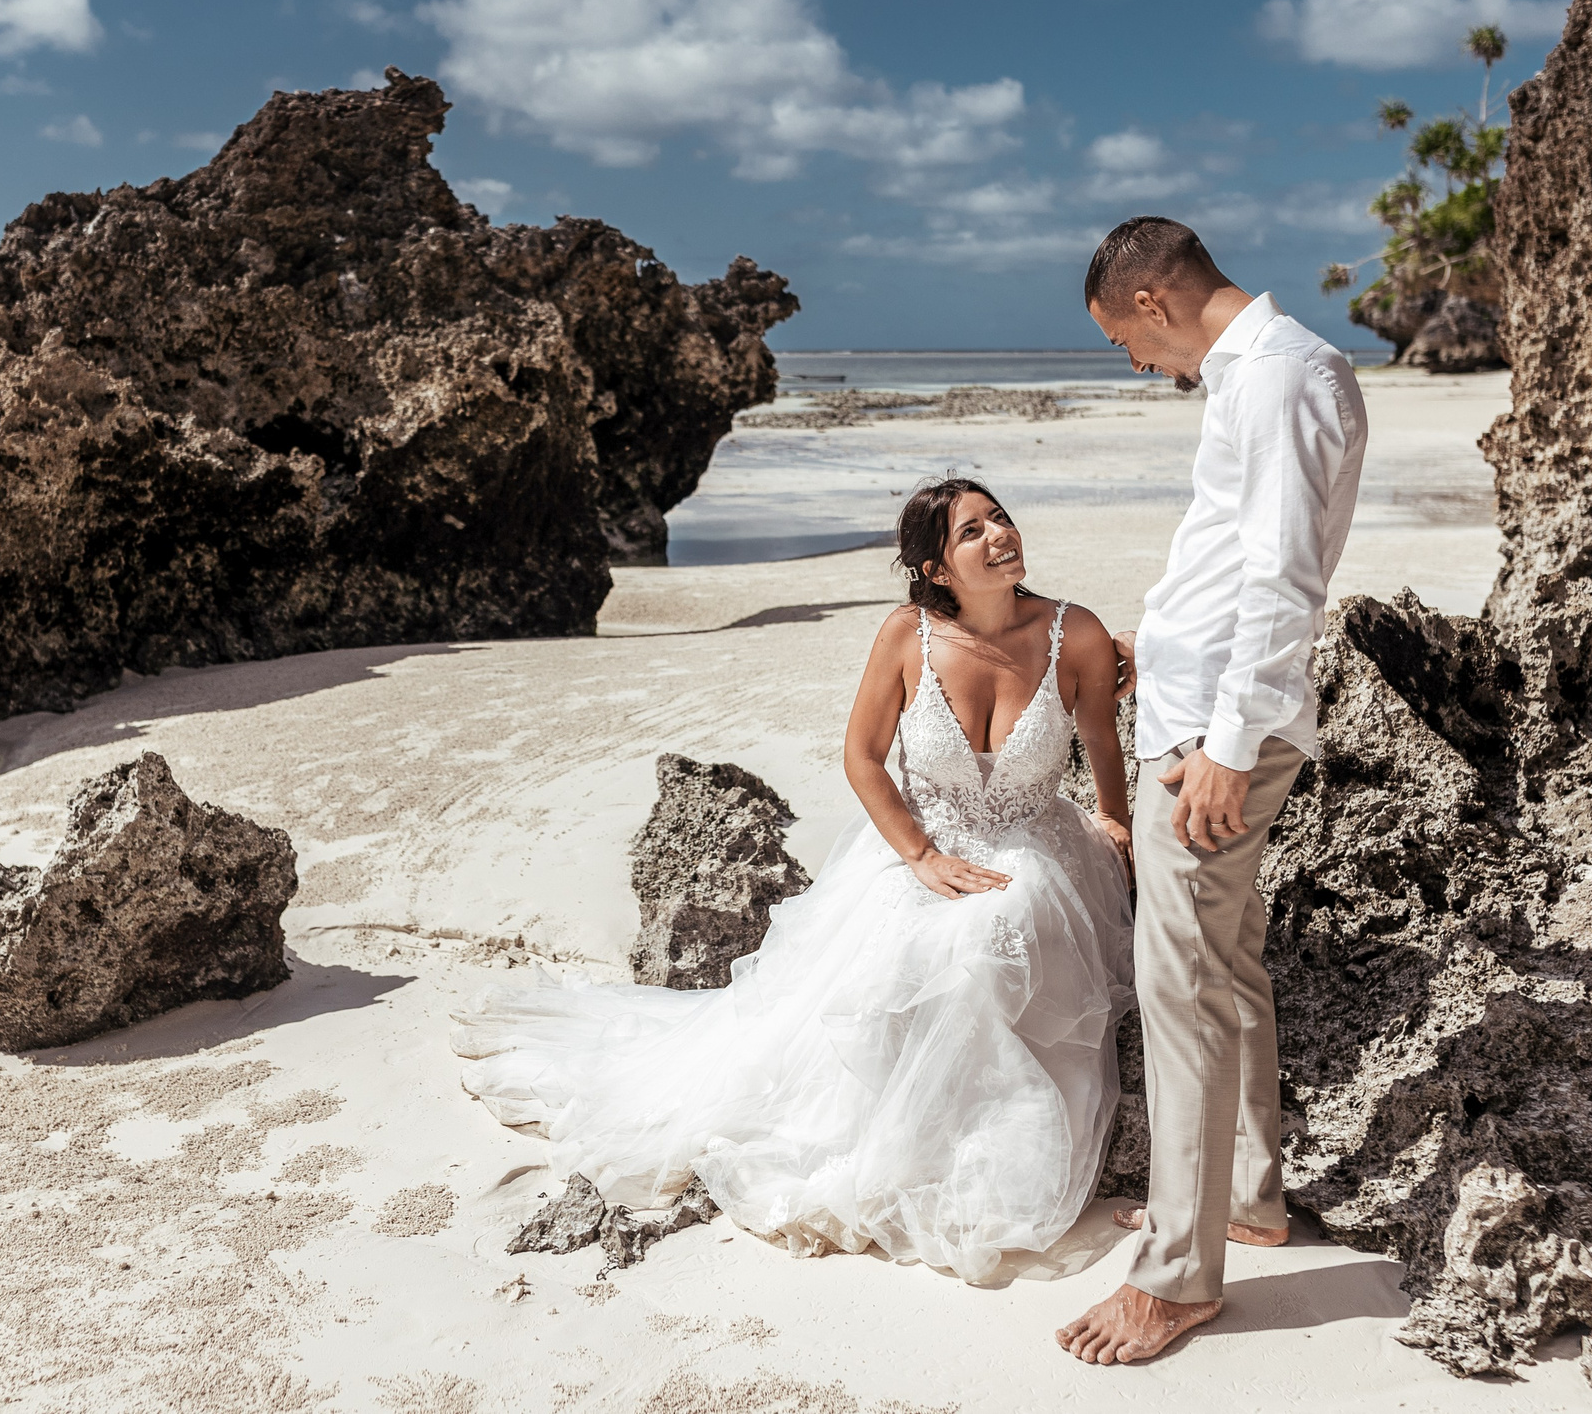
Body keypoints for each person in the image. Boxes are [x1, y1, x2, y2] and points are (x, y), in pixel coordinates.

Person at [452, 478, 1138, 1284]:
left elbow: (1101, 740)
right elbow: (862, 756)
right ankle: (902, 1135)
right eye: (971, 532)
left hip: (1035, 844)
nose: (998, 537)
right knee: (894, 956)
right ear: (935, 567)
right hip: (924, 842)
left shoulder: (1075, 631)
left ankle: (974, 1135)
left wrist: (1117, 824)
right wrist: (920, 854)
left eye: (1001, 519)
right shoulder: (903, 635)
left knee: (997, 925)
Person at [1056, 216, 1368, 1364]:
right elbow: (1235, 557)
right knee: (1226, 971)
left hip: (1211, 738)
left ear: (1151, 301)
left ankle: (1179, 1278)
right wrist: (1163, 640)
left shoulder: (1281, 376)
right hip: (1198, 703)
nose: (1134, 366)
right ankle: (1248, 1198)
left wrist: (1227, 742)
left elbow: (1288, 576)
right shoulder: (1255, 377)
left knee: (1178, 988)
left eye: (1122, 341)